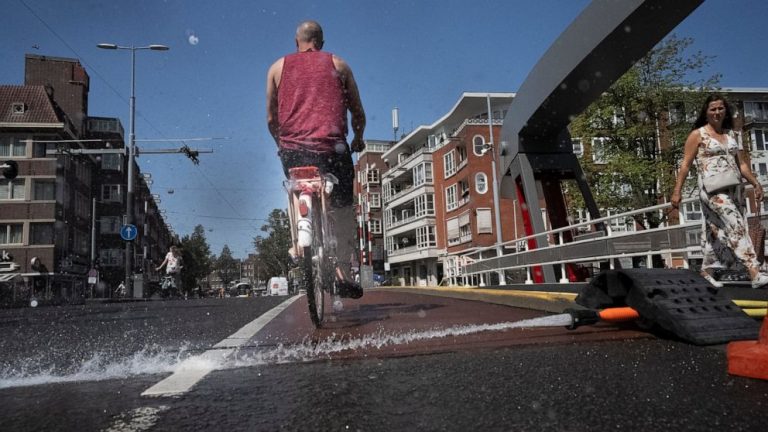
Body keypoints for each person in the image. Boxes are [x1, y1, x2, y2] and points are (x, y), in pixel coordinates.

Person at [266, 20, 365, 299]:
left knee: (296, 187)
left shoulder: (277, 68)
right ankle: (344, 269)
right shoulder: (339, 65)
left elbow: (272, 119)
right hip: (332, 151)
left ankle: (298, 244)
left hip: (293, 150)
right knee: (345, 206)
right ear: (320, 42)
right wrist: (358, 136)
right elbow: (357, 111)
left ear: (296, 41)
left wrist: (281, 144)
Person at [671, 94, 768, 289]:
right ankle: (754, 272)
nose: (717, 112)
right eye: (713, 109)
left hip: (734, 189)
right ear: (706, 112)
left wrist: (756, 184)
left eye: (720, 108)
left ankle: (705, 272)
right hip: (712, 190)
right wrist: (677, 191)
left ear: (726, 111)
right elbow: (685, 165)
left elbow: (741, 164)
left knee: (712, 232)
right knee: (737, 224)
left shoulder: (730, 135)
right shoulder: (697, 135)